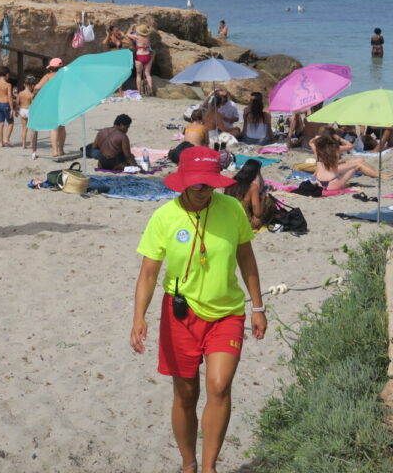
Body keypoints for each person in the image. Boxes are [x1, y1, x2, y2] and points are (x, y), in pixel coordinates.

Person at [130, 146, 267, 473]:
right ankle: (188, 463)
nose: (204, 190)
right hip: (180, 314)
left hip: (227, 312)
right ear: (183, 182)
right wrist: (139, 318)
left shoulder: (232, 208)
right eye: (198, 184)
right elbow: (148, 273)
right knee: (186, 394)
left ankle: (209, 468)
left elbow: (245, 258)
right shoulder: (164, 216)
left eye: (210, 184)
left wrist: (258, 306)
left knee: (219, 385)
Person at [310, 132, 390, 190]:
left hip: (319, 184)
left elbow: (311, 143)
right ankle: (381, 175)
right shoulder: (336, 149)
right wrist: (340, 139)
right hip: (333, 183)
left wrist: (317, 137)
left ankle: (379, 174)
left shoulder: (318, 152)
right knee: (358, 164)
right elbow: (351, 146)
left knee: (359, 162)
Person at [225, 159, 275, 230]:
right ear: (255, 173)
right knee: (268, 201)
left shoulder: (231, 182)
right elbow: (257, 213)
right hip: (242, 223)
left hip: (227, 219)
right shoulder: (252, 187)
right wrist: (263, 199)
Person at [35, 58, 65, 157]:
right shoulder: (64, 75)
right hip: (62, 102)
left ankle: (55, 151)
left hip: (51, 103)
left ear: (51, 68)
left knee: (53, 127)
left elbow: (37, 87)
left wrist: (38, 93)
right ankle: (61, 150)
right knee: (62, 127)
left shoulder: (48, 76)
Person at [127, 24, 154, 96]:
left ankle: (139, 92)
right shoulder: (148, 37)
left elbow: (128, 34)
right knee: (148, 74)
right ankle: (150, 89)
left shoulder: (137, 37)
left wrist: (131, 27)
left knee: (138, 75)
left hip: (140, 56)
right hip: (148, 55)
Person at [16, 74, 36, 149]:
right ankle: (31, 144)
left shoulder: (20, 93)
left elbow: (17, 103)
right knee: (31, 128)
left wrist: (15, 111)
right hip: (29, 110)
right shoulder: (31, 94)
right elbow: (33, 104)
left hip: (22, 110)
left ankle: (23, 145)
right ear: (32, 86)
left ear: (24, 84)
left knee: (24, 128)